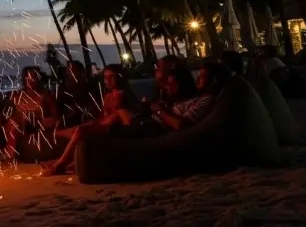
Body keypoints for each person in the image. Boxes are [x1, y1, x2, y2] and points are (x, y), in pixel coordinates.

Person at [41, 63, 215, 177]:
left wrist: (159, 110)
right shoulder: (180, 99)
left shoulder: (202, 100)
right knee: (83, 130)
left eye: (171, 84)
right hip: (145, 122)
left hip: (148, 127)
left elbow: (179, 124)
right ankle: (66, 161)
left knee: (83, 131)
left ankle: (60, 165)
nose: (168, 88)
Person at [0, 66, 58, 158]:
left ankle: (10, 152)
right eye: (28, 77)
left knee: (25, 118)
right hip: (20, 124)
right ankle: (9, 151)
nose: (30, 80)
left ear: (38, 79)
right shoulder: (19, 95)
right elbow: (12, 112)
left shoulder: (44, 96)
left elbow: (54, 115)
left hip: (36, 123)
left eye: (33, 78)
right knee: (12, 122)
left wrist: (41, 120)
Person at [57, 61, 95, 127]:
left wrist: (82, 109)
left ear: (81, 71)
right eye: (68, 69)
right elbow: (58, 104)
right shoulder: (62, 87)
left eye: (73, 69)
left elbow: (94, 104)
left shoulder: (89, 86)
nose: (70, 72)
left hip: (82, 117)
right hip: (66, 117)